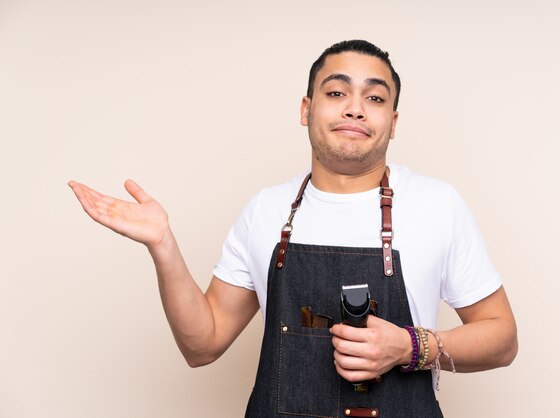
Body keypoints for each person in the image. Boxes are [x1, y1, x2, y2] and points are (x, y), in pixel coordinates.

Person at [69, 40, 517, 417]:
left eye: (375, 98)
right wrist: (163, 246)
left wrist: (410, 346)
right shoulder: (265, 209)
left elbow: (502, 339)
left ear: (393, 123)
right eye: (337, 93)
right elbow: (201, 345)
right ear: (306, 109)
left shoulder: (437, 204)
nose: (356, 110)